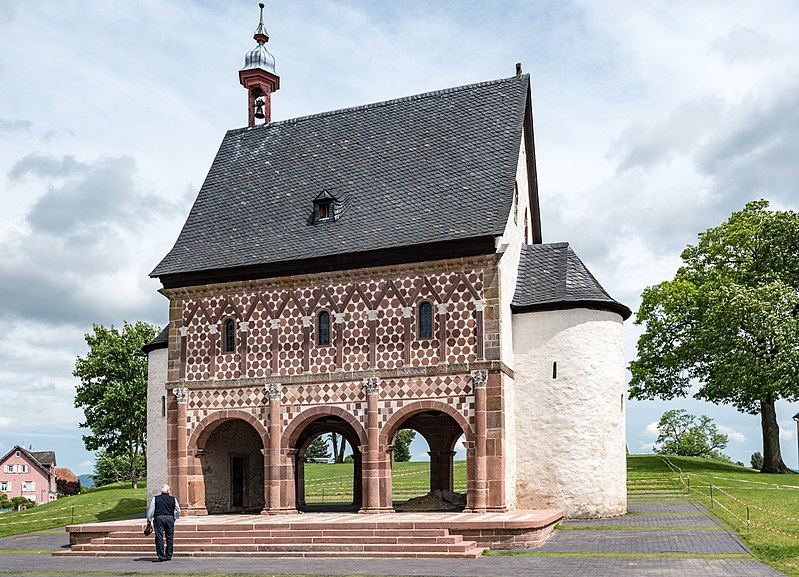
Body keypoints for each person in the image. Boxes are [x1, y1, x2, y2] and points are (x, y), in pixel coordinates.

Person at [147, 483, 180, 561]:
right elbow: (177, 510)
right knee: (169, 537)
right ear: (168, 490)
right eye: (170, 489)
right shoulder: (173, 499)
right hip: (169, 518)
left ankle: (161, 555)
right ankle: (168, 555)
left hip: (159, 518)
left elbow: (151, 510)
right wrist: (175, 518)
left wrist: (149, 519)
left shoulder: (155, 498)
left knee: (159, 537)